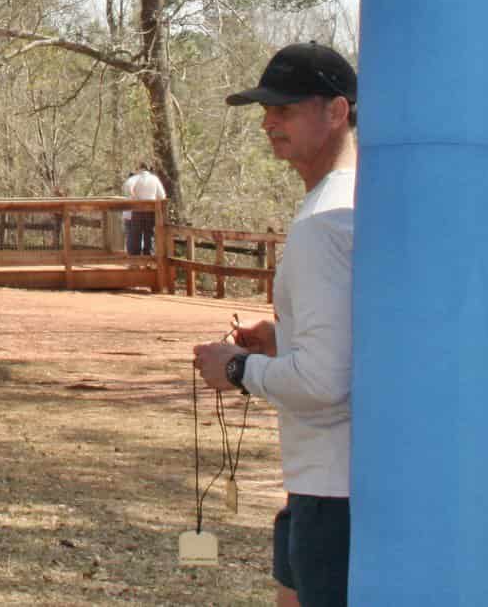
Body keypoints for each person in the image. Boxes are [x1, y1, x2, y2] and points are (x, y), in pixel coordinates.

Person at [193, 42, 357, 607]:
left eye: (284, 109)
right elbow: (356, 347)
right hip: (331, 480)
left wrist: (237, 369)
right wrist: (280, 342)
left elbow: (323, 382)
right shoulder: (351, 203)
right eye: (266, 110)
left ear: (337, 111)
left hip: (333, 491)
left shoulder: (323, 223)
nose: (268, 122)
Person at [122, 162, 168, 256]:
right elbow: (162, 196)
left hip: (137, 210)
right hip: (151, 211)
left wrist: (134, 196)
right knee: (149, 235)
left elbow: (127, 186)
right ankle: (149, 259)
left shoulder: (136, 178)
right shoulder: (154, 179)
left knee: (135, 235)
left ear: (139, 168)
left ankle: (135, 260)